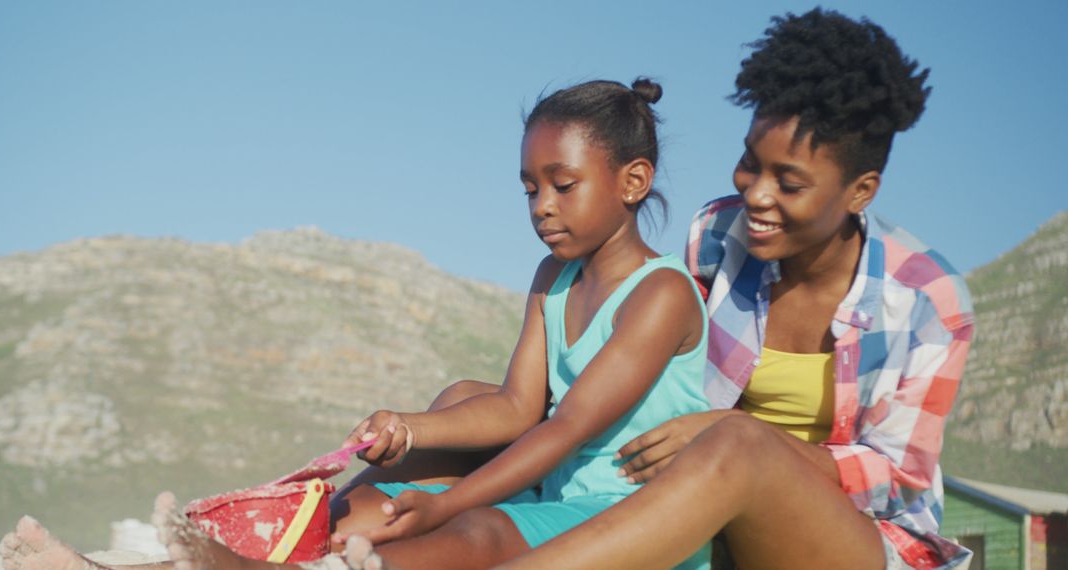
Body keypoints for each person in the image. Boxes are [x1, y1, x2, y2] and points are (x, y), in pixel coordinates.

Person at [331, 8, 976, 570]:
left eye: (790, 182)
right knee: (469, 402)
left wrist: (730, 434)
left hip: (845, 533)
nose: (755, 193)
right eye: (751, 160)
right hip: (689, 486)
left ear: (860, 191)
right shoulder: (717, 235)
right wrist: (421, 429)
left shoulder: (926, 301)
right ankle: (309, 532)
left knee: (736, 443)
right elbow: (642, 377)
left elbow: (899, 478)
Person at [0, 78, 714, 570]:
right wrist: (409, 427)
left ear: (633, 182)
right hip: (552, 492)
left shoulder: (661, 296)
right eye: (530, 188)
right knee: (376, 502)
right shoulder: (554, 279)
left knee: (474, 527)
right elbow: (517, 406)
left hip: (633, 517)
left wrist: (447, 505)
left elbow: (566, 427)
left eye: (563, 185)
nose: (542, 207)